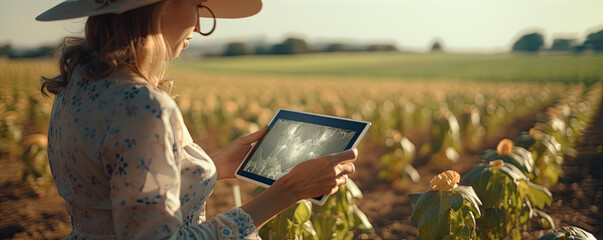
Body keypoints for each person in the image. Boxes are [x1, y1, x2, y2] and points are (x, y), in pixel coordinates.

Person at [37, 0, 358, 239]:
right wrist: (287, 191)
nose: (200, 23)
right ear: (162, 8)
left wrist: (214, 166)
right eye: (197, 5)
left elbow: (115, 190)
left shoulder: (78, 84)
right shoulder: (141, 104)